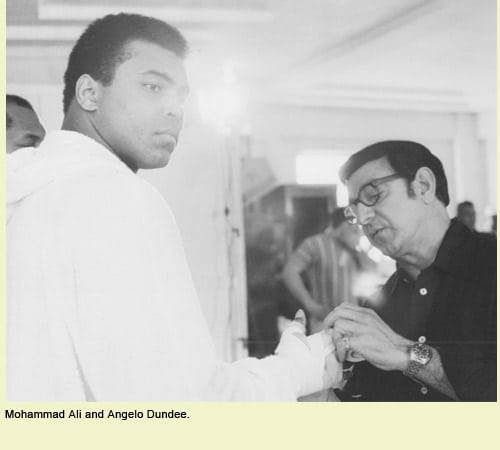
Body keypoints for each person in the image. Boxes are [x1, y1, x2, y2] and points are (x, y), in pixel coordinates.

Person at [6, 13, 341, 401]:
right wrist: (301, 366)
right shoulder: (116, 194)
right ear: (89, 93)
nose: (175, 109)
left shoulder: (28, 194)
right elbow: (183, 403)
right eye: (152, 86)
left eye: (181, 97)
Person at [325, 140, 496, 401]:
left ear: (423, 186)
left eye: (373, 195)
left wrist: (407, 354)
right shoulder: (378, 307)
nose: (363, 218)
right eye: (355, 209)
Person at [282, 208, 364, 333]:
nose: (359, 234)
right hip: (325, 325)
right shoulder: (315, 244)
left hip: (353, 325)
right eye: (355, 229)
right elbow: (289, 272)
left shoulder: (353, 250)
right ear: (344, 226)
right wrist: (310, 304)